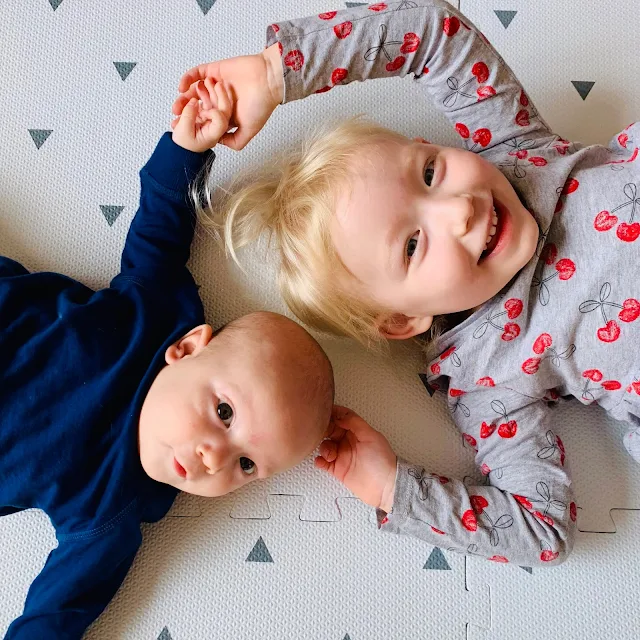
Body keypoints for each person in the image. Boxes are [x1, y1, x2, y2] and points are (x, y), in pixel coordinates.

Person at [173, 0, 640, 567]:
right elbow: (541, 531)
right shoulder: (485, 377)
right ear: (400, 321)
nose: (459, 212)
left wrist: (277, 72)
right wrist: (394, 489)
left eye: (429, 172)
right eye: (413, 246)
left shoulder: (514, 152)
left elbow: (431, 31)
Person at [1, 80, 334, 638]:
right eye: (225, 414)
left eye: (245, 466)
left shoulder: (113, 509)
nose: (214, 458)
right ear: (187, 350)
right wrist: (187, 150)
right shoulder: (154, 315)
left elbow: (61, 608)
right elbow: (160, 228)